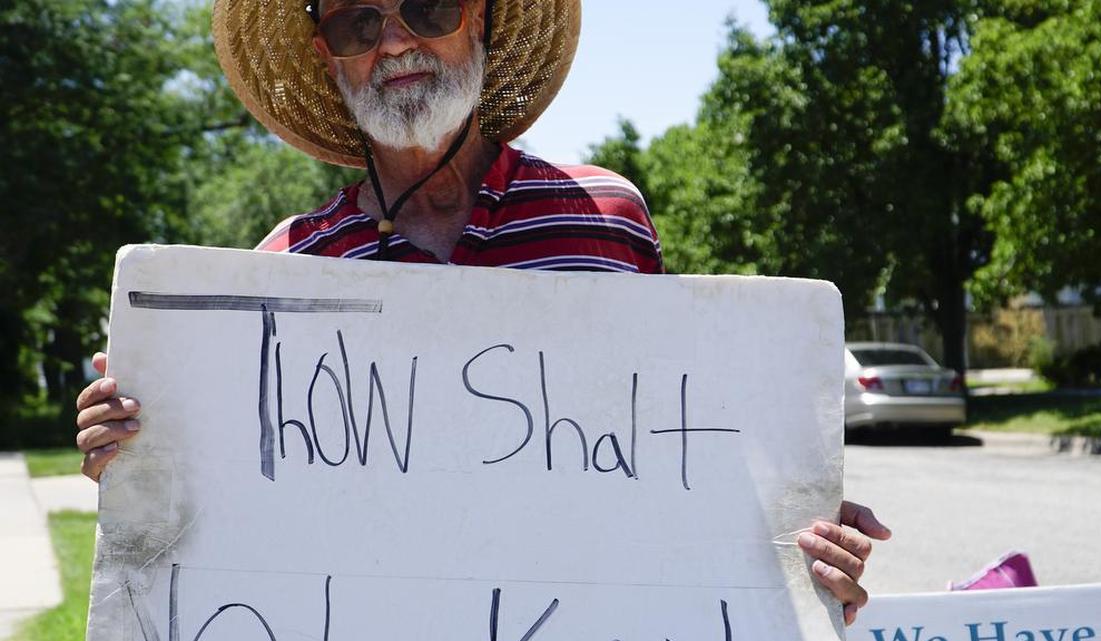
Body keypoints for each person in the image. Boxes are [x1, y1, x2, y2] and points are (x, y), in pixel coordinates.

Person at [72, 0, 890, 625]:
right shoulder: (281, 266)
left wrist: (795, 528)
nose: (394, 42)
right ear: (329, 60)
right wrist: (137, 454)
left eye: (428, 6)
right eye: (358, 22)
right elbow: (218, 529)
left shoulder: (607, 218)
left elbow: (684, 456)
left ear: (483, 21)